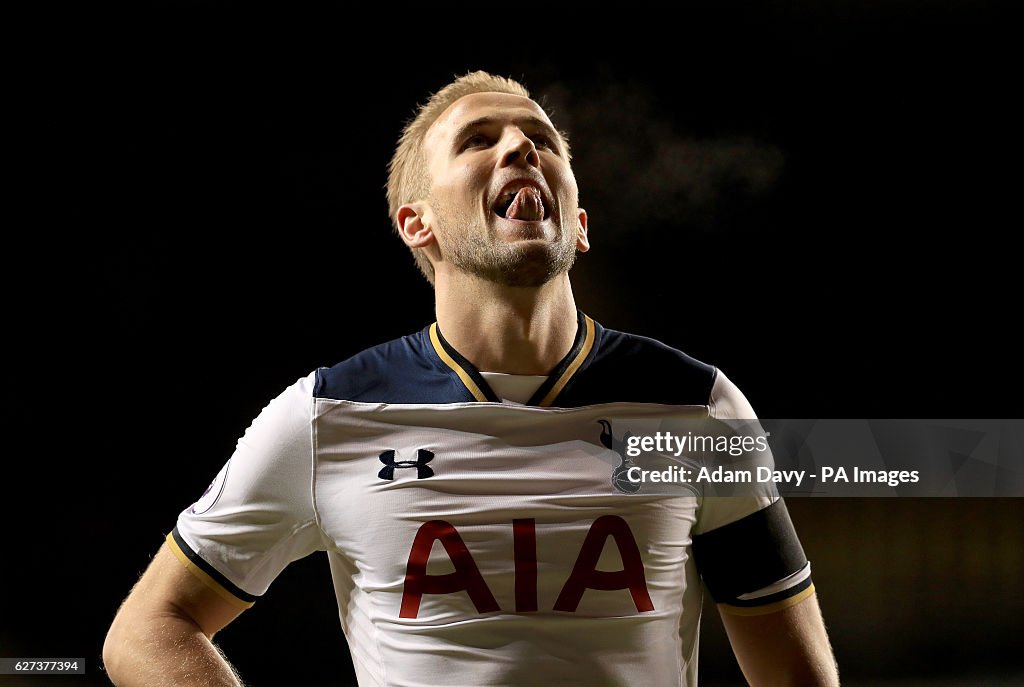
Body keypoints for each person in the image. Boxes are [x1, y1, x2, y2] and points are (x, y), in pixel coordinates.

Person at [104, 70, 840, 686]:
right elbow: (143, 631)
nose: (522, 145)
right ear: (416, 224)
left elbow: (797, 674)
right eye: (479, 140)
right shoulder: (328, 414)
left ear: (579, 223)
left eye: (541, 140)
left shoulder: (697, 407)